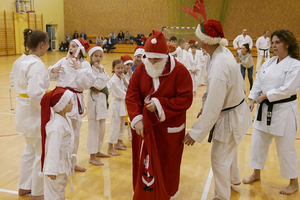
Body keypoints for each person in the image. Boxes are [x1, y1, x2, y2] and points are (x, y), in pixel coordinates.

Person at [182, 19, 252, 200]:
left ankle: (221, 197)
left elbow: (214, 106)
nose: (198, 40)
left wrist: (196, 132)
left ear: (206, 40)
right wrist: (205, 106)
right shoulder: (219, 53)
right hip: (234, 110)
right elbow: (211, 95)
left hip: (231, 115)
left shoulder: (220, 65)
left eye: (199, 36)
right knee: (229, 151)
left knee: (219, 157)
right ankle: (233, 180)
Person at [125, 30, 193, 199]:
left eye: (157, 59)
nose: (153, 62)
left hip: (169, 129)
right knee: (144, 164)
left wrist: (159, 104)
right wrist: (136, 118)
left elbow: (185, 99)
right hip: (144, 128)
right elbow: (132, 94)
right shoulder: (142, 67)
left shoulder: (180, 71)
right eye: (150, 58)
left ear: (166, 55)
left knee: (168, 164)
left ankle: (168, 194)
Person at [242, 29, 300, 195]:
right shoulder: (269, 62)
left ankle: (293, 182)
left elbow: (288, 89)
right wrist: (253, 98)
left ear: (287, 44)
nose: (273, 46)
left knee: (285, 148)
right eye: (272, 42)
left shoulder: (295, 64)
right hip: (264, 108)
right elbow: (258, 81)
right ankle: (256, 173)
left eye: (277, 43)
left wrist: (266, 96)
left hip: (284, 111)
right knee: (257, 143)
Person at [10, 28, 50, 200]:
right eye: (47, 45)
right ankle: (37, 191)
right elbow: (35, 93)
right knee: (40, 152)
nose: (47, 48)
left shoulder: (21, 60)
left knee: (29, 150)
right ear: (42, 45)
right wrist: (48, 108)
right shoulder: (37, 65)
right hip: (34, 113)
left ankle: (24, 186)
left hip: (22, 109)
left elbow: (14, 78)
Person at [48, 38, 92, 172]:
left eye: (74, 46)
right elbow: (51, 76)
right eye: (70, 46)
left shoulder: (85, 65)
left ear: (80, 49)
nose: (70, 48)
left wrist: (79, 69)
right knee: (58, 129)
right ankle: (57, 164)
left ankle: (72, 163)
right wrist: (52, 70)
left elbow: (86, 85)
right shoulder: (63, 61)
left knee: (75, 132)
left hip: (75, 98)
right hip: (61, 97)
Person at [40, 87, 75, 200]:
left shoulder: (66, 120)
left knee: (59, 192)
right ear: (62, 105)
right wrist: (51, 170)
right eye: (69, 102)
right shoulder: (56, 126)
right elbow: (52, 149)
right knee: (53, 196)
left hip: (62, 166)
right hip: (55, 169)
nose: (72, 104)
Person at [86, 46, 111, 166]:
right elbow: (97, 86)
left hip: (101, 100)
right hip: (93, 100)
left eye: (100, 56)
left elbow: (107, 82)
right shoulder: (88, 69)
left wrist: (101, 76)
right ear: (91, 56)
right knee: (94, 129)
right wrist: (101, 79)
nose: (98, 58)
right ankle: (92, 156)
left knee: (101, 128)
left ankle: (98, 150)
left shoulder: (101, 68)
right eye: (96, 56)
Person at [107, 59, 129, 156]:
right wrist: (131, 95)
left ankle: (118, 142)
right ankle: (110, 147)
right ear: (113, 69)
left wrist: (124, 79)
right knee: (114, 126)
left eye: (121, 68)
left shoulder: (121, 78)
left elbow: (129, 87)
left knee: (121, 125)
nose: (120, 70)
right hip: (116, 104)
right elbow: (122, 93)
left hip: (122, 104)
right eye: (118, 68)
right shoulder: (113, 80)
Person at [121, 55, 134, 141]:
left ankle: (131, 135)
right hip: (122, 99)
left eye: (130, 65)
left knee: (130, 118)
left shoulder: (130, 74)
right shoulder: (120, 75)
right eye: (127, 65)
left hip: (130, 99)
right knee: (123, 120)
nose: (129, 67)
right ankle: (120, 138)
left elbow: (133, 86)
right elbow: (128, 87)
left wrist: (131, 74)